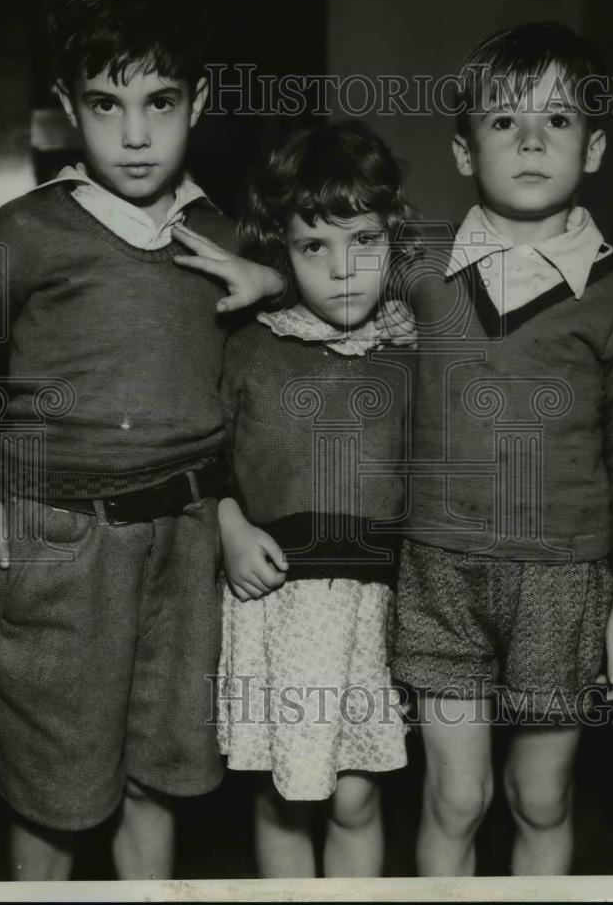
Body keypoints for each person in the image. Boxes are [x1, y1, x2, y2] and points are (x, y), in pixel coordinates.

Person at [0, 0, 283, 881]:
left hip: (183, 539)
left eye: (160, 104)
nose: (134, 136)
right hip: (59, 541)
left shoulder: (227, 234)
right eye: (105, 104)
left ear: (200, 102)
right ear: (66, 103)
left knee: (157, 778)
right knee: (50, 794)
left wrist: (276, 279)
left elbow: (328, 321)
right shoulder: (19, 233)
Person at [392, 22, 613, 876]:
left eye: (560, 119)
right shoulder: (417, 268)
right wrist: (264, 280)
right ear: (465, 152)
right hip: (439, 565)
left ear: (597, 144)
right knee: (455, 798)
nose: (534, 140)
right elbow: (325, 282)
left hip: (565, 579)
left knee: (538, 797)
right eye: (505, 122)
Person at [213, 121, 420, 877]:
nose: (342, 270)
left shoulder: (411, 352)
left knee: (358, 798)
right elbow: (203, 458)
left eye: (364, 241)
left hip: (375, 610)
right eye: (313, 248)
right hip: (278, 606)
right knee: (283, 798)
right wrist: (227, 524)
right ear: (282, 250)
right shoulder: (249, 346)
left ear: (393, 238)